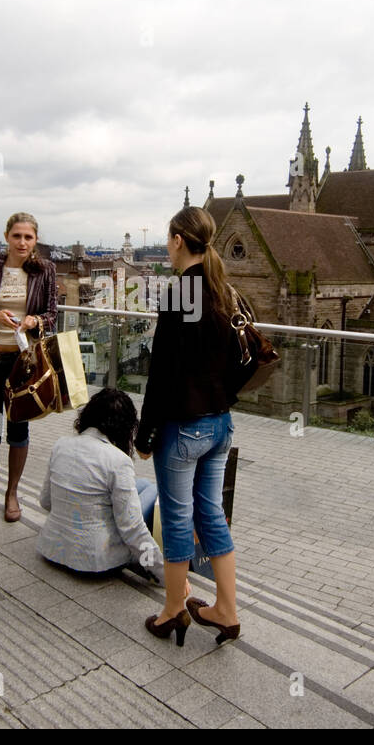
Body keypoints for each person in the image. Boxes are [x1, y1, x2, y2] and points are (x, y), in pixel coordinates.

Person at [134, 205, 241, 648]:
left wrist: (144, 434)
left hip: (185, 428)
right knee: (211, 513)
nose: (167, 246)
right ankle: (227, 611)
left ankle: (173, 610)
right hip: (221, 424)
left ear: (179, 240)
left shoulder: (180, 295)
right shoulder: (223, 291)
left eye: (169, 239)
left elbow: (161, 374)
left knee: (177, 519)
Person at [0, 212, 58, 524]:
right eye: (17, 236)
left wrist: (35, 320)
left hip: (23, 366)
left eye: (28, 237)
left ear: (35, 240)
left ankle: (12, 493)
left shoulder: (45, 270)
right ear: (7, 237)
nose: (22, 242)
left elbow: (52, 314)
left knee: (18, 430)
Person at [38, 389, 166, 585]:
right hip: (94, 561)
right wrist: (165, 575)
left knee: (142, 484)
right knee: (153, 489)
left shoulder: (61, 444)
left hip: (52, 549)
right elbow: (132, 528)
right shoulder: (118, 460)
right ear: (125, 427)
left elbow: (45, 501)